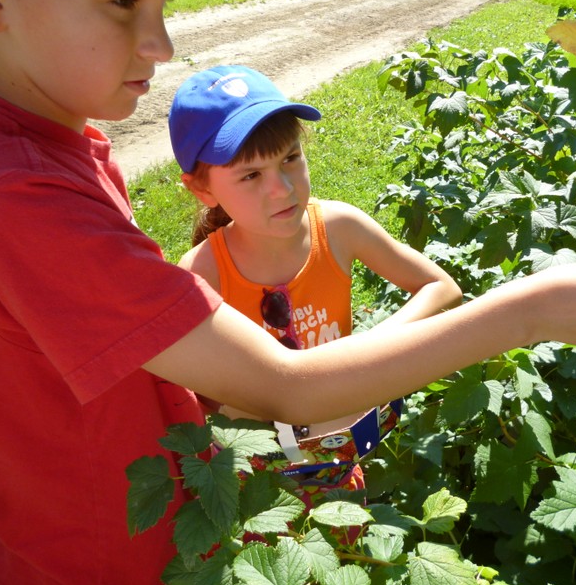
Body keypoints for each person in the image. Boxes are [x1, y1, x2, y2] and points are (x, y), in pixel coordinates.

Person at [0, 0, 576, 584]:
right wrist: (534, 308)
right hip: (97, 561)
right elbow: (285, 386)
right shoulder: (19, 194)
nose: (161, 44)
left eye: (164, 2)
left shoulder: (56, 144)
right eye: (122, 1)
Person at [169, 65, 464, 506]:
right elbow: (195, 397)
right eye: (251, 176)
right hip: (257, 487)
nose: (282, 188)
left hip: (342, 463)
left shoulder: (340, 228)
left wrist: (365, 353)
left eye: (290, 158)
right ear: (202, 189)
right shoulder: (202, 274)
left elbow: (441, 287)